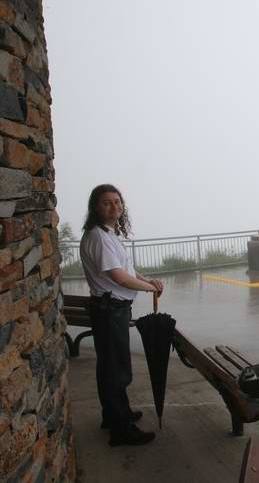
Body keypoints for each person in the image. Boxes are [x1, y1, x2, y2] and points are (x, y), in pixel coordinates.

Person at [79, 184, 164, 446]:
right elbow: (118, 278)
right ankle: (121, 429)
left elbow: (126, 270)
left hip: (111, 309)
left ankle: (116, 415)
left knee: (110, 366)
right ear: (96, 207)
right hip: (110, 310)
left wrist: (147, 279)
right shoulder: (99, 237)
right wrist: (150, 287)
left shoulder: (108, 234)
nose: (114, 206)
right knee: (116, 370)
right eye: (107, 202)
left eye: (117, 201)